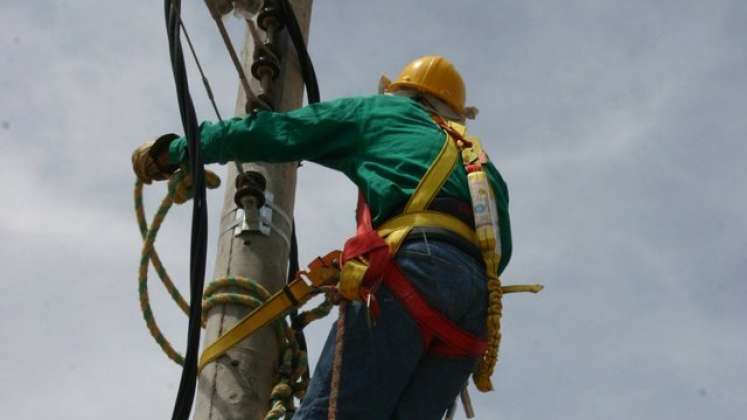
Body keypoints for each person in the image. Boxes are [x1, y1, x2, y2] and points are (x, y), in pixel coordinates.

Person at [132, 56, 512, 420]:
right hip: (473, 313)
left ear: (405, 94)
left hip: (412, 271)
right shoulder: (481, 161)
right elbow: (501, 250)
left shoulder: (383, 114)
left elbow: (279, 131)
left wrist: (181, 150)